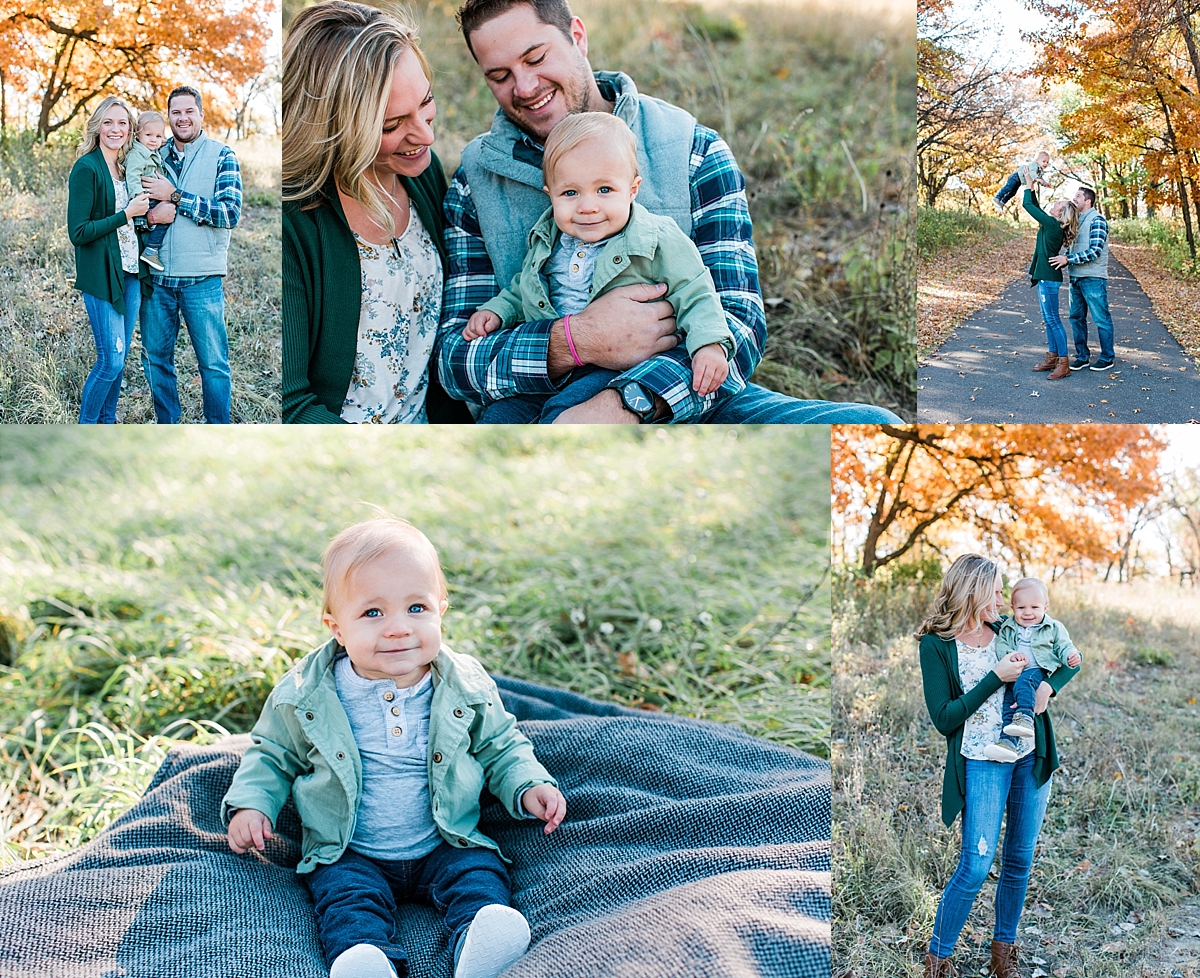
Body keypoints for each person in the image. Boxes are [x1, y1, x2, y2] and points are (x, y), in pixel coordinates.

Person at [438, 0, 902, 424]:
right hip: (532, 402)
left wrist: (628, 403)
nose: (525, 87)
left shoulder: (693, 150)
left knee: (876, 426)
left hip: (685, 402)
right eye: (499, 76)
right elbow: (455, 362)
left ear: (577, 37)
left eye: (536, 58)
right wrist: (576, 340)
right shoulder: (475, 181)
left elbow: (738, 323)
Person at [222, 518, 565, 978]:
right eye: (373, 613)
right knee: (345, 903)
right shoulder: (308, 696)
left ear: (441, 609)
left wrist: (528, 784)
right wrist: (251, 804)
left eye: (417, 607)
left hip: (447, 838)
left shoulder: (463, 685)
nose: (399, 629)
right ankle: (367, 960)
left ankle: (479, 945)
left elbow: (501, 746)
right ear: (336, 627)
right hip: (350, 849)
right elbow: (270, 754)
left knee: (479, 880)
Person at [462, 112, 733, 421]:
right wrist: (496, 311)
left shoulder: (656, 238)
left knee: (563, 416)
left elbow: (695, 290)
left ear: (632, 190)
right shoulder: (548, 239)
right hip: (551, 373)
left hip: (613, 370)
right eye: (570, 193)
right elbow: (524, 288)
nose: (587, 206)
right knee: (501, 416)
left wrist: (709, 345)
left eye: (604, 190)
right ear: (550, 195)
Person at [282, 1, 472, 424]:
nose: (425, 133)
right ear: (334, 125)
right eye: (391, 125)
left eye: (426, 102)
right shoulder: (295, 224)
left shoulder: (422, 176)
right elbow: (290, 406)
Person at [918, 554, 1079, 978]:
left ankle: (1002, 955)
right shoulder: (936, 644)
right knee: (974, 863)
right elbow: (945, 718)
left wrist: (1048, 689)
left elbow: (1062, 654)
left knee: (1019, 860)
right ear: (973, 591)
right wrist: (995, 676)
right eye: (994, 592)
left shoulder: (1007, 628)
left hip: (1029, 752)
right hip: (982, 758)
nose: (1002, 601)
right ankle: (937, 961)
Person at [138, 85, 241, 424]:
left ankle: (217, 430)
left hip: (202, 281)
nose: (182, 118)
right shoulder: (153, 154)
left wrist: (177, 197)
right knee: (156, 361)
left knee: (213, 365)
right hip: (158, 280)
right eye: (176, 113)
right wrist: (152, 216)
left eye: (188, 111)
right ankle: (169, 427)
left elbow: (229, 214)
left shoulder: (221, 155)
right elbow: (134, 208)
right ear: (169, 118)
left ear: (201, 115)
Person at [66, 95, 157, 424]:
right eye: (108, 122)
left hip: (131, 273)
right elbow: (78, 231)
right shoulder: (86, 167)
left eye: (122, 123)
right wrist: (125, 214)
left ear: (130, 129)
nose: (115, 129)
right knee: (111, 361)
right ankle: (86, 426)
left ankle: (107, 424)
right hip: (102, 276)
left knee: (119, 358)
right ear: (97, 127)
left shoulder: (126, 167)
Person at [984, 577, 1082, 763]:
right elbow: (1002, 645)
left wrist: (1070, 654)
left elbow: (1063, 646)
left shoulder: (1053, 627)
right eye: (1021, 608)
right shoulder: (1008, 626)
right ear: (1013, 608)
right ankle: (1007, 744)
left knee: (1025, 683)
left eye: (1034, 607)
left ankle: (1026, 717)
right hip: (1014, 673)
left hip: (1037, 670)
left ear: (1045, 607)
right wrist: (1011, 655)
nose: (1028, 613)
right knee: (1008, 704)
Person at [1048, 186, 1114, 372]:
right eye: (1074, 195)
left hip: (1093, 277)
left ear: (1088, 201)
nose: (1074, 198)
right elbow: (1071, 247)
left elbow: (1094, 251)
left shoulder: (1097, 220)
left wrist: (1067, 259)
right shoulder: (1075, 220)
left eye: (1078, 196)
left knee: (1101, 319)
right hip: (1076, 277)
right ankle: (1082, 356)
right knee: (1076, 318)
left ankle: (1107, 357)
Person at [1021, 187, 1077, 380]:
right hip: (1046, 278)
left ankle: (1063, 363)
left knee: (1053, 320)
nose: (1054, 204)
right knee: (1049, 319)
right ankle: (1053, 357)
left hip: (1049, 279)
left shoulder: (1053, 226)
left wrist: (1028, 184)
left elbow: (1027, 205)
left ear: (1061, 213)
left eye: (1058, 204)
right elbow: (1034, 205)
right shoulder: (1051, 225)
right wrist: (1032, 188)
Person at [123, 111, 171, 272]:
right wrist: (138, 196)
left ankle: (150, 244)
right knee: (167, 213)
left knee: (169, 210)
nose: (153, 139)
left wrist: (160, 142)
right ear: (137, 134)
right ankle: (151, 250)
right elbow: (132, 174)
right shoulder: (137, 154)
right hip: (145, 197)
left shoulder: (150, 149)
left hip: (151, 194)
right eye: (149, 134)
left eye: (158, 136)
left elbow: (157, 143)